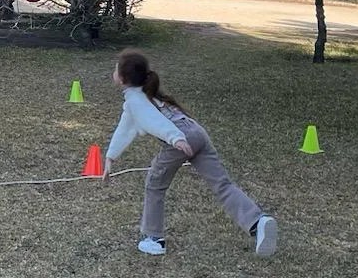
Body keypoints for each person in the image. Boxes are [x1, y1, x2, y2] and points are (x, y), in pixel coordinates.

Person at [102, 50, 279, 258]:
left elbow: (153, 121)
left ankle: (154, 239)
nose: (113, 72)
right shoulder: (144, 95)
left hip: (181, 138)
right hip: (196, 132)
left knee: (154, 184)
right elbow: (126, 127)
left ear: (122, 79)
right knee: (222, 184)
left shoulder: (136, 101)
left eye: (116, 68)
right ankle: (258, 222)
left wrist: (175, 138)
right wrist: (110, 156)